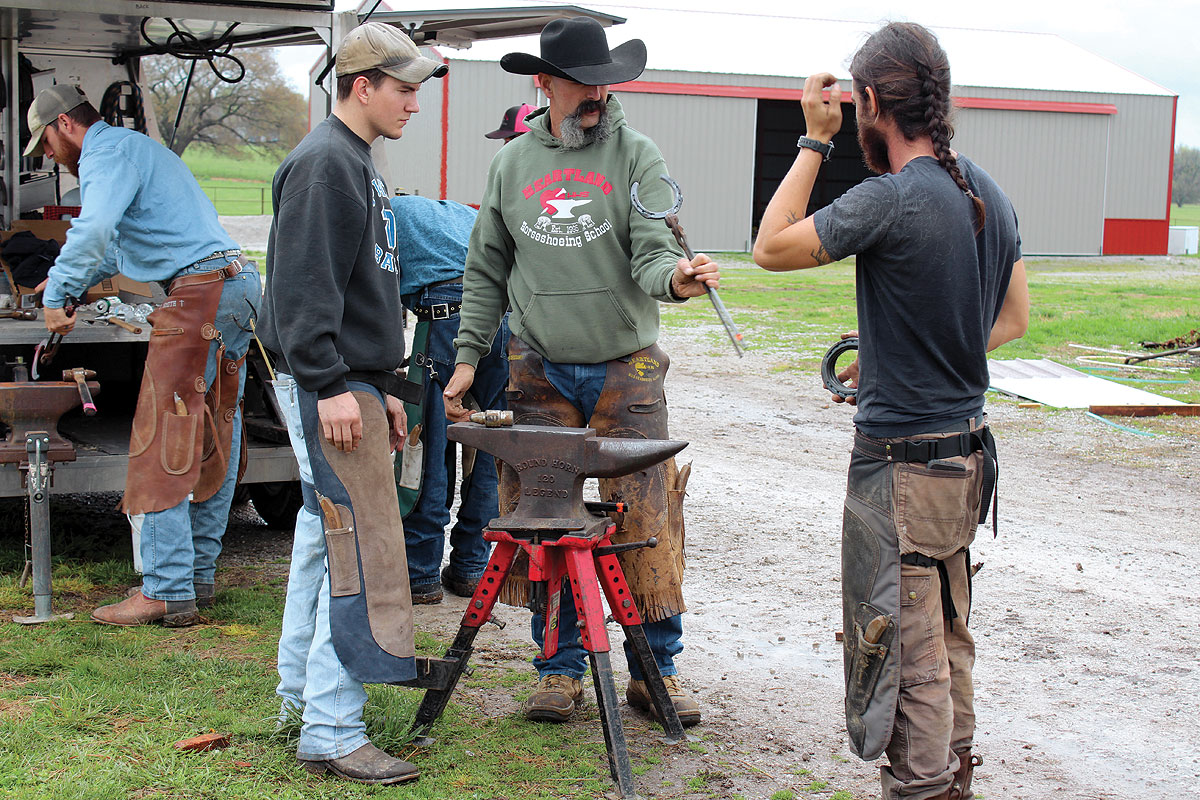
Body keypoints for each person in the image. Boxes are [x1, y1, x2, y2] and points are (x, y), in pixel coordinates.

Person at [752, 22, 1029, 800]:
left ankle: (923, 786)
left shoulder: (890, 198)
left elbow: (769, 247)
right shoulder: (985, 191)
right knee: (946, 633)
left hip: (903, 469)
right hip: (967, 458)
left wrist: (813, 141)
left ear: (870, 101)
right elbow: (1009, 322)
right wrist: (915, 352)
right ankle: (956, 776)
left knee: (905, 652)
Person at [444, 16, 719, 728]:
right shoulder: (512, 165)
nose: (596, 92)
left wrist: (677, 281)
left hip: (626, 368)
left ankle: (655, 672)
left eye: (604, 81)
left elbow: (653, 248)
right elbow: (486, 270)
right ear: (545, 83)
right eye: (581, 82)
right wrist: (468, 359)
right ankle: (559, 669)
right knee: (545, 523)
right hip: (537, 366)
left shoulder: (636, 153)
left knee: (644, 518)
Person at [257, 22, 447, 785]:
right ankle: (333, 732)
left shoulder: (354, 160)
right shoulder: (326, 163)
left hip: (352, 379)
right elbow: (304, 287)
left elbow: (362, 287)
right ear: (361, 85)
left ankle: (298, 698)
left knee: (319, 532)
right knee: (356, 547)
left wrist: (382, 386)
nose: (414, 104)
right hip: (327, 381)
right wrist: (332, 384)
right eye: (404, 89)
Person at [26, 84, 260, 627]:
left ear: (64, 124)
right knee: (212, 429)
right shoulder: (139, 149)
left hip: (199, 292)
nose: (48, 156)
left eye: (45, 143)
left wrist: (60, 294)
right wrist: (68, 281)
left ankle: (164, 588)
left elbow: (94, 228)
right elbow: (111, 245)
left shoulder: (105, 153)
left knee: (164, 434)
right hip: (236, 286)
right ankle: (196, 577)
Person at [392, 195, 509, 605]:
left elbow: (376, 291)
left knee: (428, 444)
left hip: (447, 319)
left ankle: (421, 574)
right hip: (501, 320)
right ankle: (472, 568)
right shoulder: (457, 211)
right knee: (488, 446)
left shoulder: (384, 216)